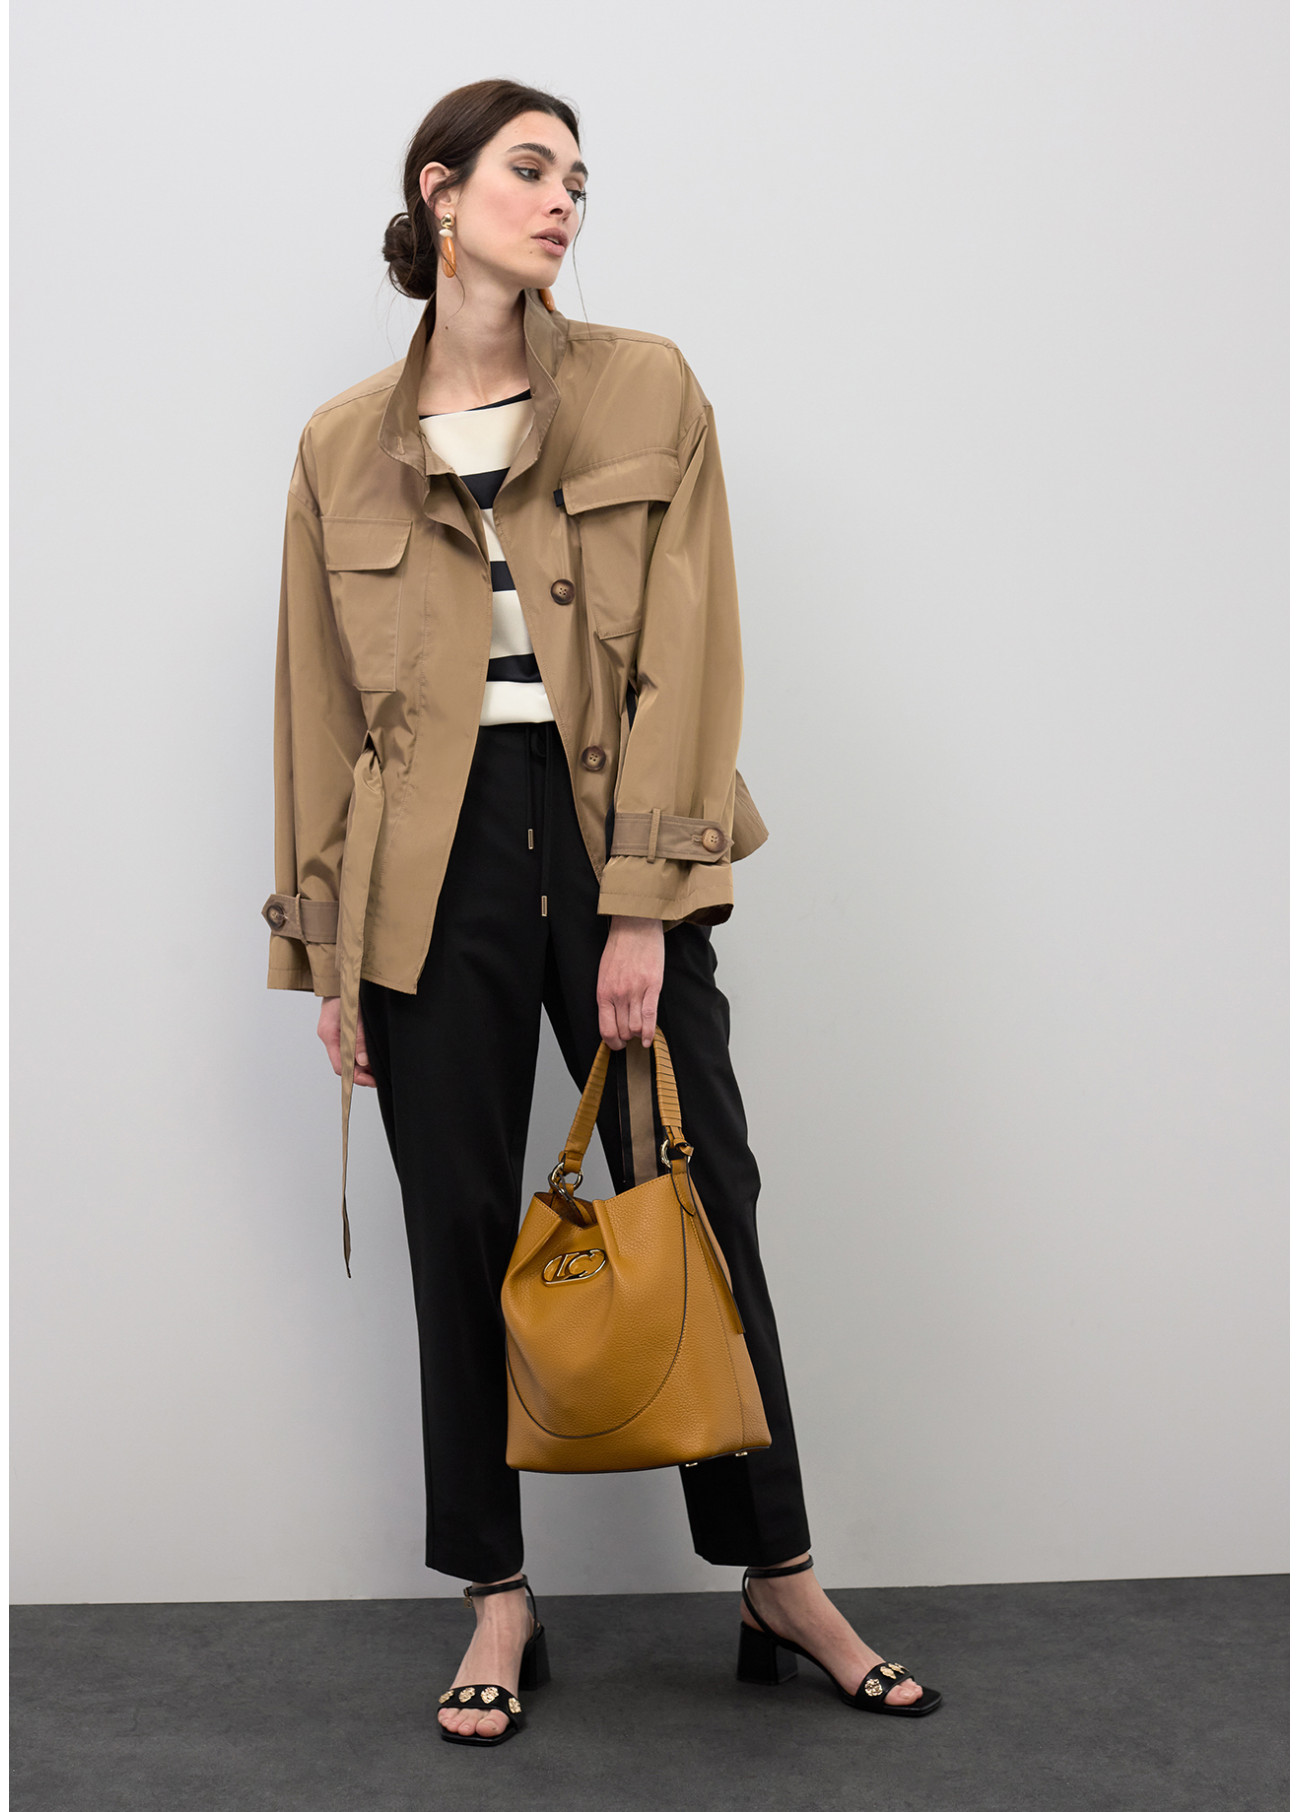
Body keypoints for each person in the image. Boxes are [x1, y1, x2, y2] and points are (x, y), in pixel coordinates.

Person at [263, 77, 942, 1747]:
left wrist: (642, 906)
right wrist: (332, 955)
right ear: (440, 193)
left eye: (578, 177)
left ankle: (781, 1576)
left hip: (611, 831)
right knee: (455, 1222)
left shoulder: (648, 387)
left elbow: (690, 655)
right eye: (530, 168)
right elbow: (318, 720)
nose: (564, 199)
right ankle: (496, 1596)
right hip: (425, 874)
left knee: (698, 1189)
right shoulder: (342, 446)